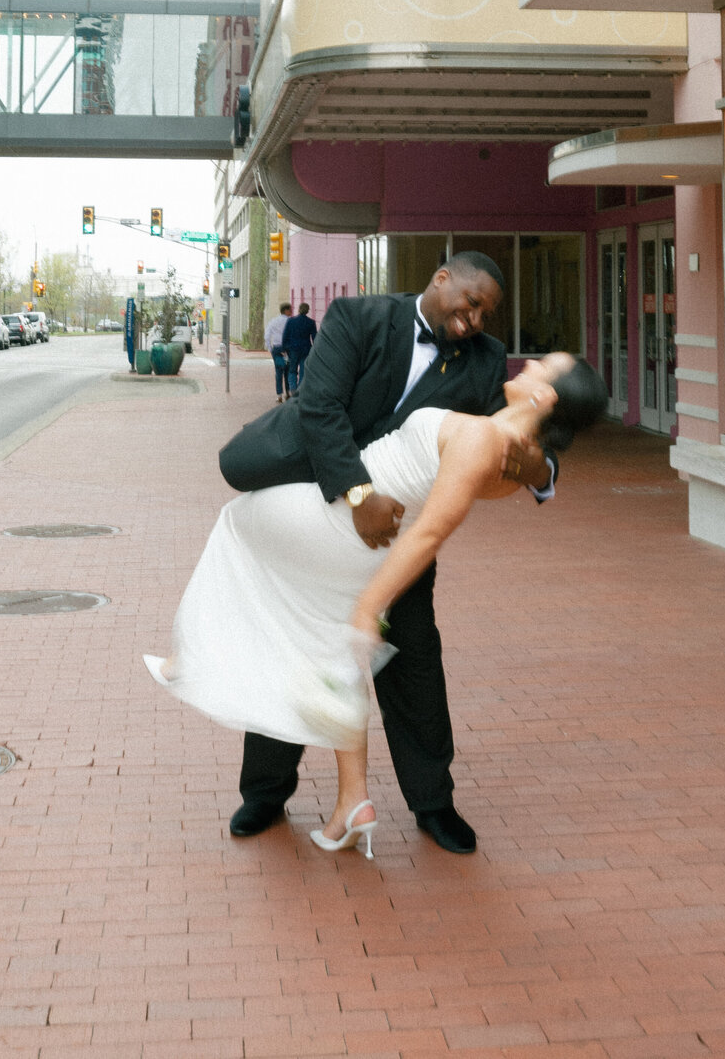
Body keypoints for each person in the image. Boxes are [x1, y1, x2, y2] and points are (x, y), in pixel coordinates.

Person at [144, 353, 596, 857]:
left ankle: (191, 655)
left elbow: (430, 534)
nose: (528, 362)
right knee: (328, 652)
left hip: (345, 528)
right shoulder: (505, 449)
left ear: (546, 396)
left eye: (543, 366)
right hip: (358, 531)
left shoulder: (489, 441)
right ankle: (351, 802)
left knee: (237, 523)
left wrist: (371, 604)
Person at [212, 252, 554, 854]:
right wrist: (358, 493)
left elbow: (495, 450)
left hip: (396, 541)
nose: (474, 319)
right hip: (314, 499)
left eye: (487, 312)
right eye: (470, 301)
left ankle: (434, 802)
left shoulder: (486, 362)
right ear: (440, 277)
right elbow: (321, 408)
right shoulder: (357, 317)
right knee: (294, 645)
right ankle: (264, 793)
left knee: (415, 661)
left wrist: (537, 468)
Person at [282, 301, 317, 397]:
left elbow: (285, 335)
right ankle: (300, 389)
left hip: (293, 349)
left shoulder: (291, 321)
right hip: (306, 349)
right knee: (303, 370)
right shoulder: (311, 322)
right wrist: (315, 350)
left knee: (292, 370)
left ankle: (293, 389)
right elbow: (314, 338)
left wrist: (285, 348)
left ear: (299, 309)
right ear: (308, 311)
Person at [264, 301, 292, 402]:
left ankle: (279, 395)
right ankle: (288, 393)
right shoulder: (290, 321)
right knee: (288, 371)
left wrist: (270, 348)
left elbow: (267, 335)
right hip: (288, 349)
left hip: (277, 348)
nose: (291, 312)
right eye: (290, 310)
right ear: (286, 310)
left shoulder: (273, 321)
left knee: (278, 372)